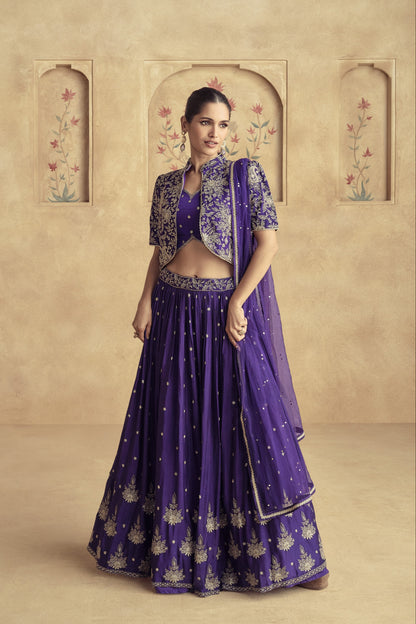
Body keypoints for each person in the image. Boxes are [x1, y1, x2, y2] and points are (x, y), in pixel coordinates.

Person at [87, 87, 329, 596]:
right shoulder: (166, 185)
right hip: (173, 312)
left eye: (222, 124)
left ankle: (292, 558)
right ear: (185, 125)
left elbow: (268, 245)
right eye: (204, 122)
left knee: (247, 423)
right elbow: (161, 251)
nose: (215, 133)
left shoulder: (245, 176)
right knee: (172, 425)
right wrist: (144, 301)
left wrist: (239, 300)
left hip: (223, 314)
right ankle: (169, 551)